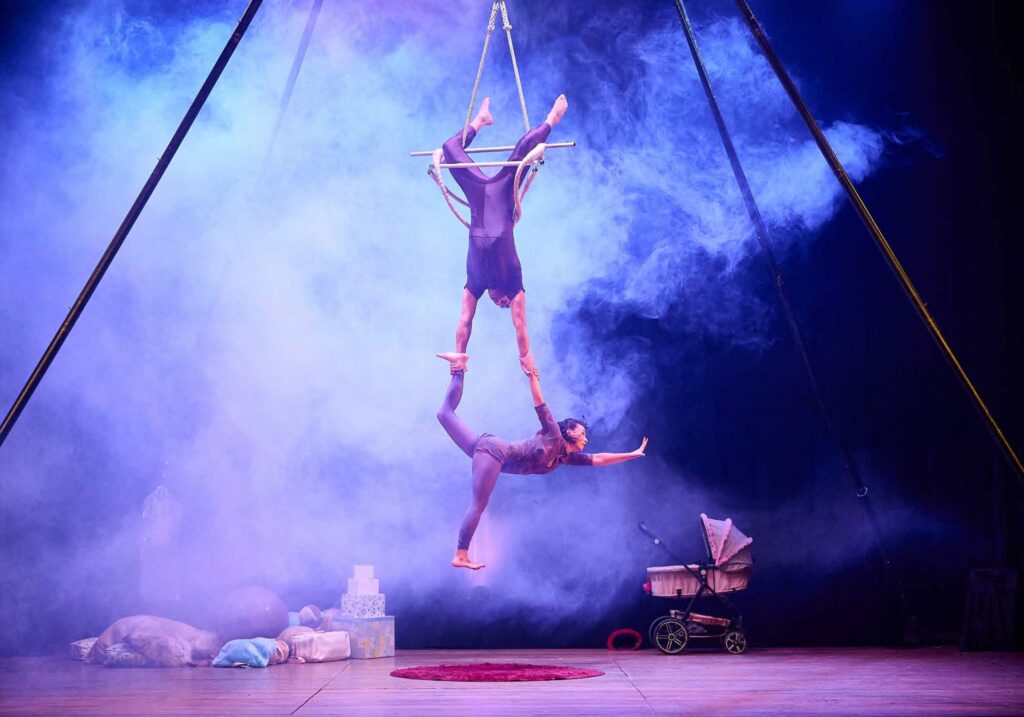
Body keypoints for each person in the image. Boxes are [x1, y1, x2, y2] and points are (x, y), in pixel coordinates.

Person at [436, 353, 648, 570]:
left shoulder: (564, 457)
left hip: (487, 450)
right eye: (582, 433)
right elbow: (540, 404)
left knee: (444, 414)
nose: (586, 439)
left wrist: (631, 454)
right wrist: (532, 377)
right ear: (569, 431)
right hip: (495, 453)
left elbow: (599, 458)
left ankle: (459, 367)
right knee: (478, 504)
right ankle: (461, 554)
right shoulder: (554, 436)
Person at [440, 94, 568, 377]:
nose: (504, 302)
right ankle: (549, 119)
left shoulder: (475, 284)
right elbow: (521, 324)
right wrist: (526, 355)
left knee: (450, 148)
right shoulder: (513, 284)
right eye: (506, 304)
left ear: (491, 298)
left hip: (478, 196)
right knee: (523, 148)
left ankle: (481, 121)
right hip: (500, 195)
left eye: (500, 304)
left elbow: (464, 322)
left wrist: (459, 355)